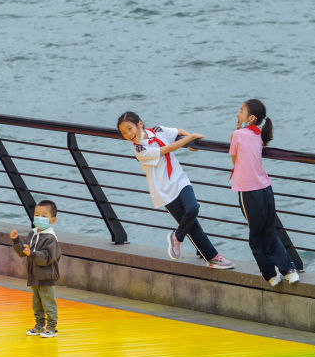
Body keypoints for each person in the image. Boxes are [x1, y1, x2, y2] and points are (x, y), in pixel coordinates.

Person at [117, 111, 234, 268]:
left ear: (140, 123)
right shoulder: (139, 150)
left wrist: (190, 143)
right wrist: (191, 138)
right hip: (164, 191)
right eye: (124, 133)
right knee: (192, 226)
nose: (128, 134)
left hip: (179, 179)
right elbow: (167, 149)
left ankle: (176, 237)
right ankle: (213, 258)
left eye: (130, 128)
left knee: (193, 208)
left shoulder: (157, 130)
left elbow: (177, 132)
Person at [229, 98, 299, 286]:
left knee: (255, 236)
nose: (238, 113)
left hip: (248, 190)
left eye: (241, 111)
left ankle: (270, 275)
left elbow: (234, 160)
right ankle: (289, 270)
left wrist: (237, 129)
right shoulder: (259, 134)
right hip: (265, 188)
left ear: (250, 117)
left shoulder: (238, 134)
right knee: (269, 231)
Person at [10, 199, 61, 338]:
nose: (39, 218)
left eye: (44, 216)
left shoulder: (50, 238)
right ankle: (39, 325)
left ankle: (51, 327)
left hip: (46, 276)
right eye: (37, 214)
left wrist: (31, 253)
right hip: (34, 276)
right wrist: (16, 241)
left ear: (52, 220)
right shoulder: (32, 234)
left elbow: (45, 258)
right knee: (37, 303)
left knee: (48, 303)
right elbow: (23, 252)